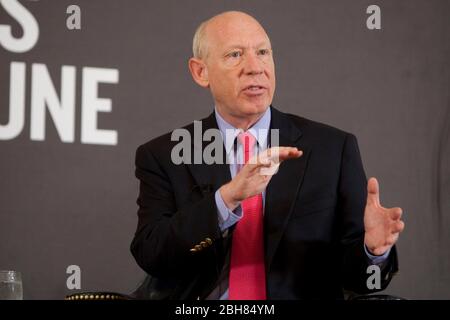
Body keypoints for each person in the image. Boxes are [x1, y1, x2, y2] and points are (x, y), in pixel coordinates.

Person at [130, 11, 405, 300]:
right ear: (201, 72)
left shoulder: (332, 149)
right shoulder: (165, 155)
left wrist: (373, 250)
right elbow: (152, 254)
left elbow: (361, 281)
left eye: (262, 52)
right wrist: (227, 199)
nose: (255, 67)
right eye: (235, 55)